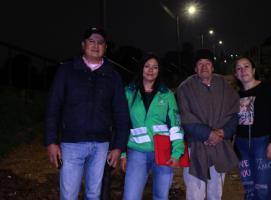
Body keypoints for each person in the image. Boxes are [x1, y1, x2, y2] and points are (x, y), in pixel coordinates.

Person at [44, 27, 130, 200]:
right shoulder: (67, 71)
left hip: (101, 146)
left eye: (100, 42)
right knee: (68, 195)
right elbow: (53, 107)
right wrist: (51, 141)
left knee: (93, 194)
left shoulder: (112, 76)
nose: (96, 45)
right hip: (71, 144)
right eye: (91, 41)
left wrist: (118, 146)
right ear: (83, 45)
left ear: (105, 47)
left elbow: (121, 112)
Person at [177, 49, 239, 200]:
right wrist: (208, 134)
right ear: (195, 68)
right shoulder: (185, 88)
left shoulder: (223, 84)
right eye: (200, 64)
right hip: (196, 148)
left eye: (208, 63)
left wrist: (224, 132)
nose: (204, 67)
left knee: (216, 193)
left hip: (219, 145)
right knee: (195, 193)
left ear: (213, 67)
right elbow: (185, 117)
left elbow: (235, 112)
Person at [121, 53, 185, 200]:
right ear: (141, 68)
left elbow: (175, 125)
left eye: (155, 67)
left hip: (163, 152)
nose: (151, 70)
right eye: (147, 66)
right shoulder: (129, 92)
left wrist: (176, 153)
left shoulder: (167, 94)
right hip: (137, 152)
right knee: (130, 197)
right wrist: (123, 154)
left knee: (161, 197)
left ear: (159, 70)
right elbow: (123, 124)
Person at [234, 56, 271, 200]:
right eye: (239, 68)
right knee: (249, 189)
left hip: (263, 144)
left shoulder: (267, 89)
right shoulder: (236, 96)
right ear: (236, 74)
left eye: (246, 66)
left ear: (254, 70)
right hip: (242, 146)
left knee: (263, 190)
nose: (243, 70)